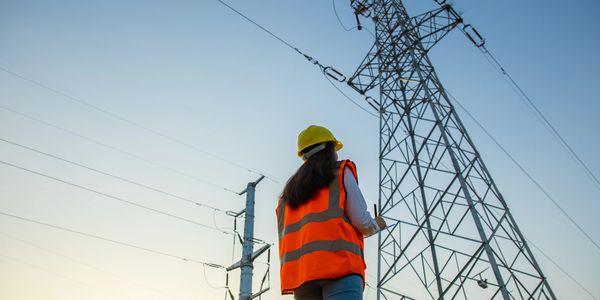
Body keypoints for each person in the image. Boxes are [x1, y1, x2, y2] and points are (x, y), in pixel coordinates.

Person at [276, 125, 387, 299]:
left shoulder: (287, 195)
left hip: (303, 276)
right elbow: (362, 223)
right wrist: (377, 224)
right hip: (340, 267)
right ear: (329, 149)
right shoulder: (339, 172)